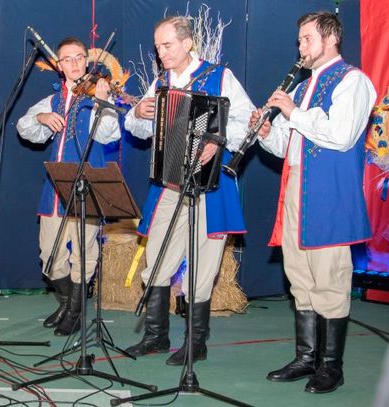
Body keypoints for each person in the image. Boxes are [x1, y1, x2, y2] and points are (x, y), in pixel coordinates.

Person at [253, 11, 376, 393]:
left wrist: (291, 111)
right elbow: (288, 146)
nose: (300, 47)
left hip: (328, 195)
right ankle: (306, 358)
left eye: (306, 39)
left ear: (331, 38)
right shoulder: (305, 87)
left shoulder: (353, 81)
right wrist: (268, 131)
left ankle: (331, 366)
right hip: (295, 189)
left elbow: (340, 135)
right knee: (300, 278)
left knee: (330, 279)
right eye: (300, 40)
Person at [124, 16, 253, 366]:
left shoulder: (219, 76)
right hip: (169, 181)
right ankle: (155, 336)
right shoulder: (161, 82)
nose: (161, 53)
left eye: (167, 46)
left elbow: (247, 119)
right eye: (157, 47)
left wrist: (219, 141)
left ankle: (197, 343)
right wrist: (137, 111)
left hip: (209, 183)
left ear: (187, 43)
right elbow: (135, 129)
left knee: (202, 263)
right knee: (156, 260)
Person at [16, 37, 121, 336]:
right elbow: (27, 130)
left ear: (86, 62)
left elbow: (109, 135)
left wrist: (102, 104)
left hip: (88, 183)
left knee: (84, 254)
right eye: (67, 59)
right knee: (49, 257)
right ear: (59, 66)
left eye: (78, 58)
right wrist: (41, 116)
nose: (74, 64)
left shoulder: (98, 94)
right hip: (55, 187)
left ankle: (75, 310)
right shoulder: (53, 99)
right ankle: (66, 302)